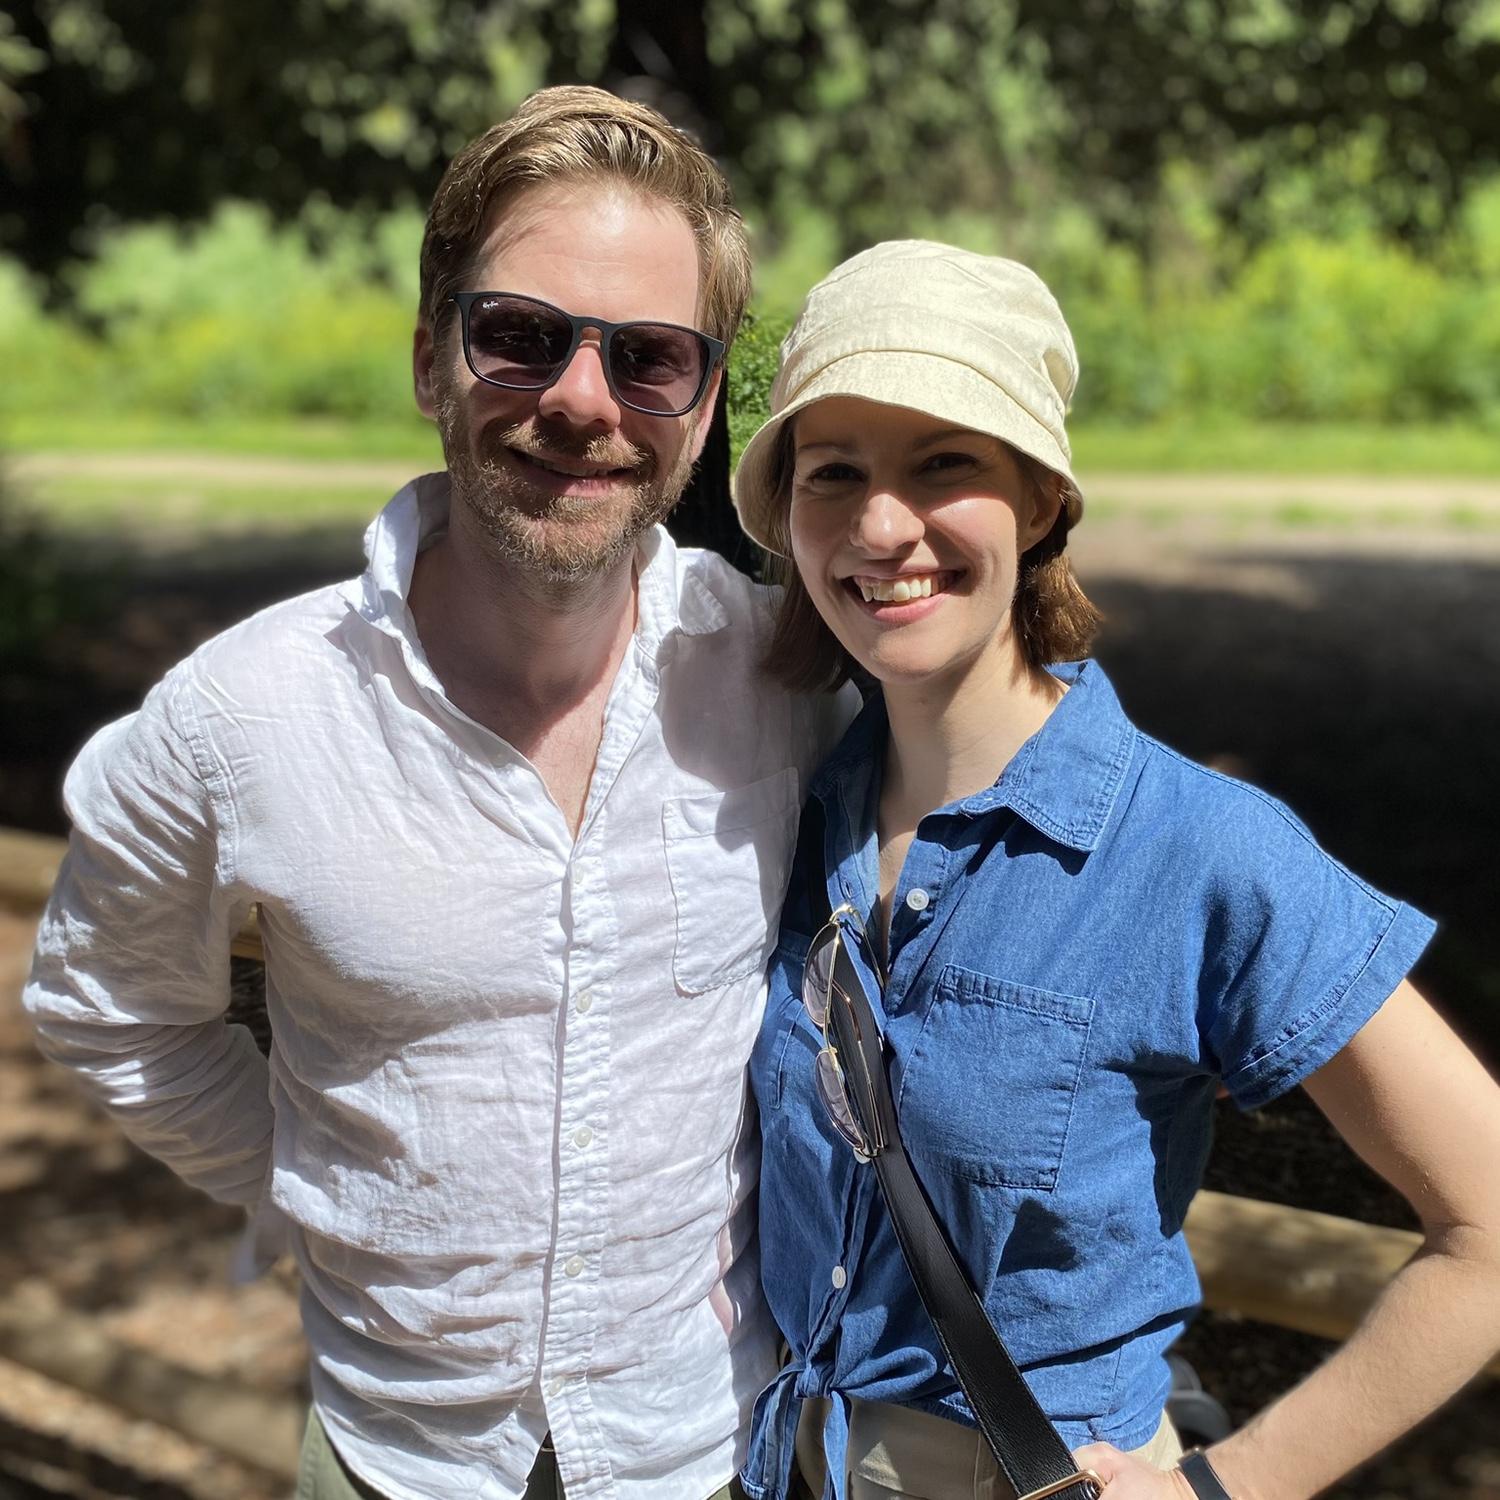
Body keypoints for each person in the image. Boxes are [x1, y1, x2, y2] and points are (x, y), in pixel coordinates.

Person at [23, 87, 853, 1500]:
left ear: (707, 410)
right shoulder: (241, 721)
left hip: (708, 1446)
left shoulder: (787, 679)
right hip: (394, 1455)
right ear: (430, 356)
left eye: (650, 359)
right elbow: (107, 1008)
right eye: (519, 336)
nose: (582, 400)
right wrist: (321, 1188)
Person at [728, 240, 1500, 1500]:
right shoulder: (802, 807)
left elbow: (1490, 1228)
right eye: (835, 474)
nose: (881, 526)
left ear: (1040, 501)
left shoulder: (1198, 849)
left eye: (945, 464)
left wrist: (1224, 1488)